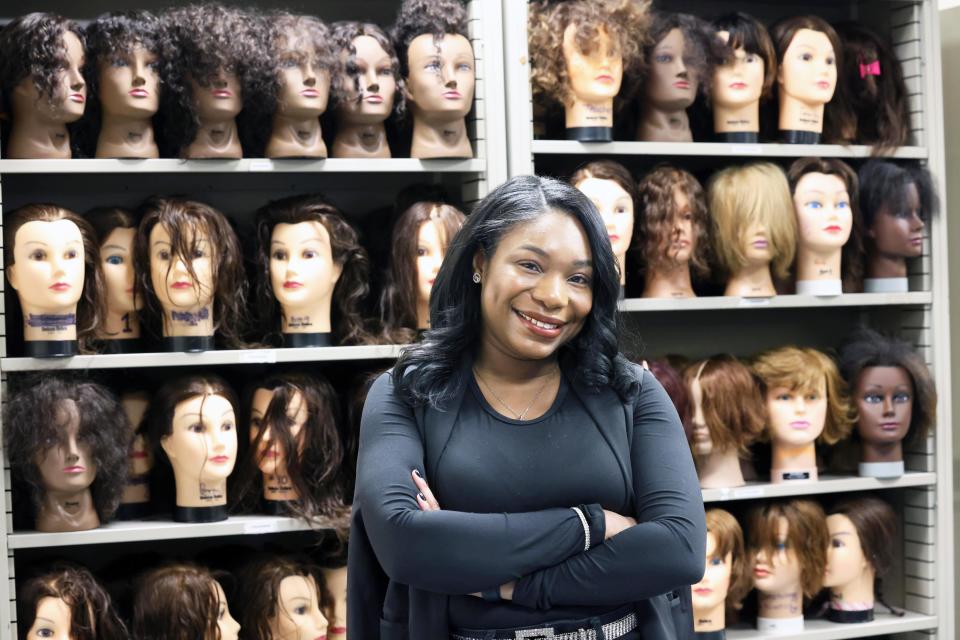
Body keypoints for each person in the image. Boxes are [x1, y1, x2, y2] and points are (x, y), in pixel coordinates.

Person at [349, 175, 706, 639]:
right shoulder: (406, 395)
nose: (555, 297)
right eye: (531, 266)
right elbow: (406, 544)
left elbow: (677, 550)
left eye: (578, 278)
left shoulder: (631, 392)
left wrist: (509, 584)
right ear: (481, 261)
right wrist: (590, 524)